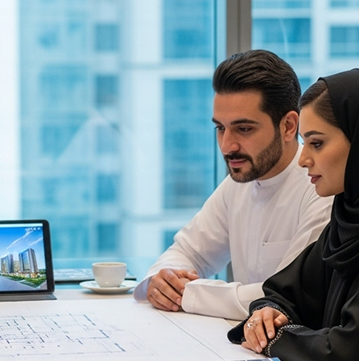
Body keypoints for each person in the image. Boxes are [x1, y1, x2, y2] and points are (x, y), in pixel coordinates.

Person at [228, 68, 359, 361]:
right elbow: (286, 292)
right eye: (304, 143)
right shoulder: (348, 221)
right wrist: (268, 314)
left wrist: (276, 339)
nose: (302, 159)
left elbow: (353, 351)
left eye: (316, 143)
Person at [133, 50, 333, 320]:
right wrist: (163, 280)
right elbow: (188, 252)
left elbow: (283, 297)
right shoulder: (240, 181)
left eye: (244, 129)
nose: (227, 146)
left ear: (288, 126)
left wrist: (189, 294)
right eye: (220, 128)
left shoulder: (321, 190)